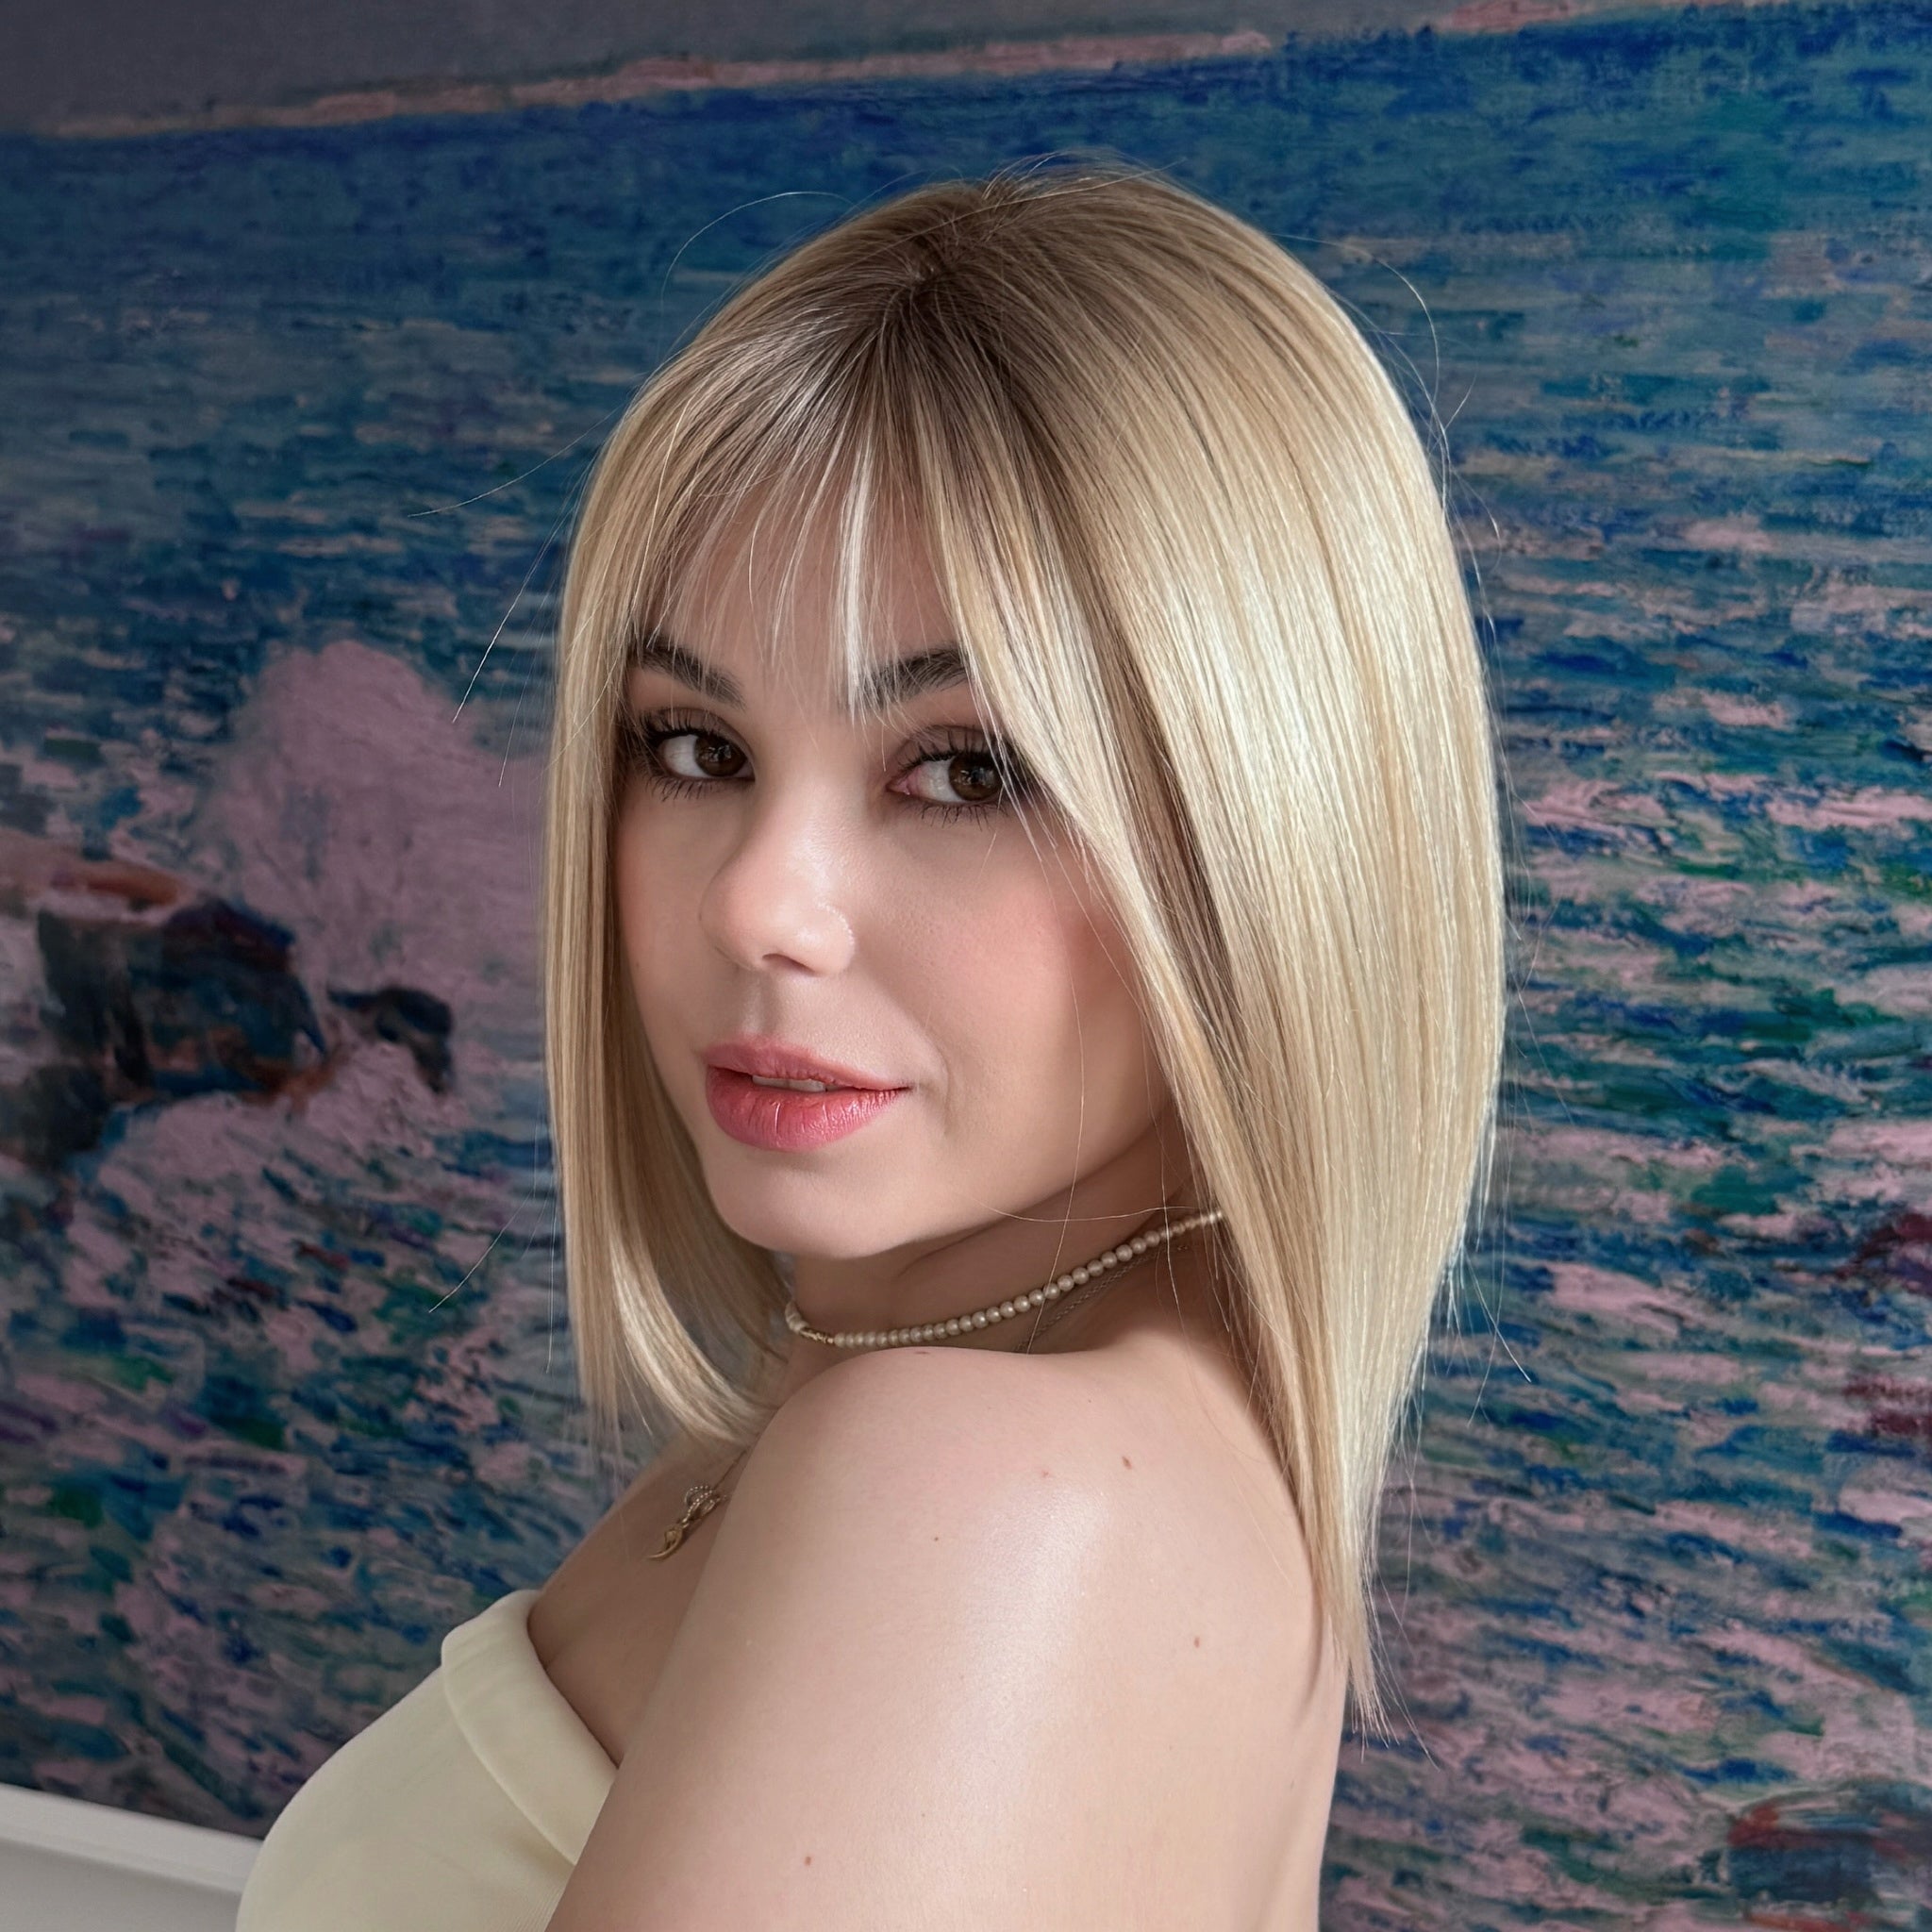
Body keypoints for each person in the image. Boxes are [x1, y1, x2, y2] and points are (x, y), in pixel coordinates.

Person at [236, 152, 1504, 1932]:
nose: (761, 902)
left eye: (966, 771)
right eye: (696, 748)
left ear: (1268, 838)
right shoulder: (1011, 1430)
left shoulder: (970, 1488)